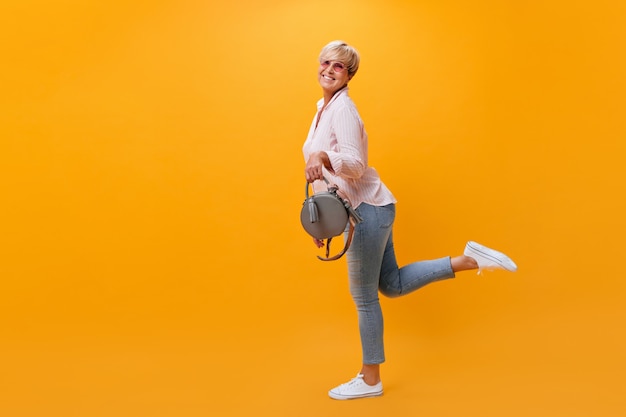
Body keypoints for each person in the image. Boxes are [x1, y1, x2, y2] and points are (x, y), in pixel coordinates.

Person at [302, 40, 518, 400]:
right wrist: (324, 221)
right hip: (365, 209)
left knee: (364, 297)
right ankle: (469, 258)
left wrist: (324, 154)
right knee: (392, 284)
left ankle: (370, 380)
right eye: (325, 62)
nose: (329, 69)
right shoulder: (322, 109)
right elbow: (327, 176)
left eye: (338, 66)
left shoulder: (343, 110)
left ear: (348, 75)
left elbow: (354, 165)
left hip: (366, 211)